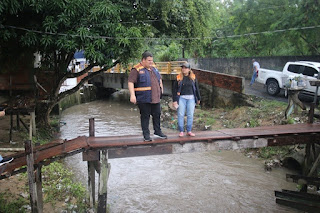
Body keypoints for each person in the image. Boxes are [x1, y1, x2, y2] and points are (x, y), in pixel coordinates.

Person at [128, 51, 167, 141]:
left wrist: (161, 88)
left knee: (157, 114)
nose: (151, 62)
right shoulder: (136, 70)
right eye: (149, 60)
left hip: (155, 98)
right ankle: (146, 135)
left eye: (152, 60)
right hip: (143, 98)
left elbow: (159, 79)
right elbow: (130, 82)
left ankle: (158, 131)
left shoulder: (154, 68)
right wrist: (132, 95)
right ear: (143, 60)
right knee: (145, 116)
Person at [172, 62, 201, 137]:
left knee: (190, 114)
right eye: (183, 68)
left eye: (185, 68)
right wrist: (174, 100)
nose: (183, 69)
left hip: (191, 98)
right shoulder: (178, 77)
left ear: (189, 69)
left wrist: (198, 98)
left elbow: (197, 88)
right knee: (180, 114)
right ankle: (181, 131)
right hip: (181, 98)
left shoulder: (193, 77)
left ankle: (189, 130)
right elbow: (174, 89)